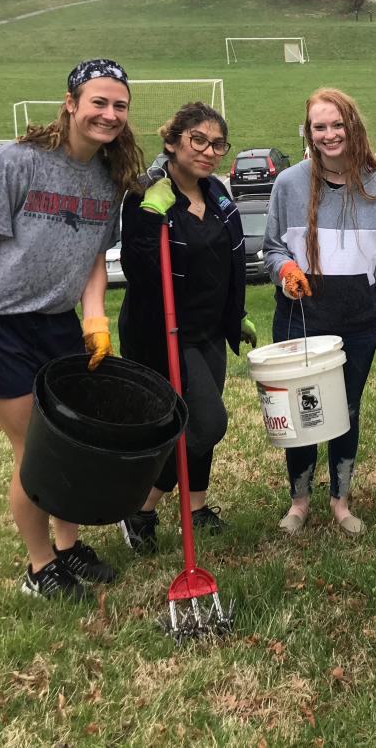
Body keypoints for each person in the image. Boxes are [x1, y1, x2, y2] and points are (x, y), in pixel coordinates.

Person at [0, 58, 141, 601]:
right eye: (98, 102)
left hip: (56, 324)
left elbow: (94, 255)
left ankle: (66, 548)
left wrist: (94, 319)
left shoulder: (108, 178)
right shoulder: (15, 163)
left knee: (70, 442)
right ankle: (40, 567)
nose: (108, 114)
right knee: (39, 447)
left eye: (119, 106)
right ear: (70, 103)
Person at [263, 88, 376, 537]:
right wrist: (286, 268)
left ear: (353, 127)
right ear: (309, 132)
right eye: (319, 127)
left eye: (336, 125)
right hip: (300, 320)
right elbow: (270, 249)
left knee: (346, 410)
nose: (329, 135)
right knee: (304, 416)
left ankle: (341, 501)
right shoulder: (288, 184)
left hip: (357, 324)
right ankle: (300, 501)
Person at [116, 102, 257, 554]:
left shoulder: (216, 194)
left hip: (209, 331)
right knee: (205, 423)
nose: (209, 151)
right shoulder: (145, 194)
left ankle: (195, 507)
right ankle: (141, 506)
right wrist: (151, 215)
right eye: (198, 140)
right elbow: (138, 270)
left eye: (218, 143)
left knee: (200, 417)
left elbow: (227, 263)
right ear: (173, 141)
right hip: (163, 332)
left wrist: (236, 315)